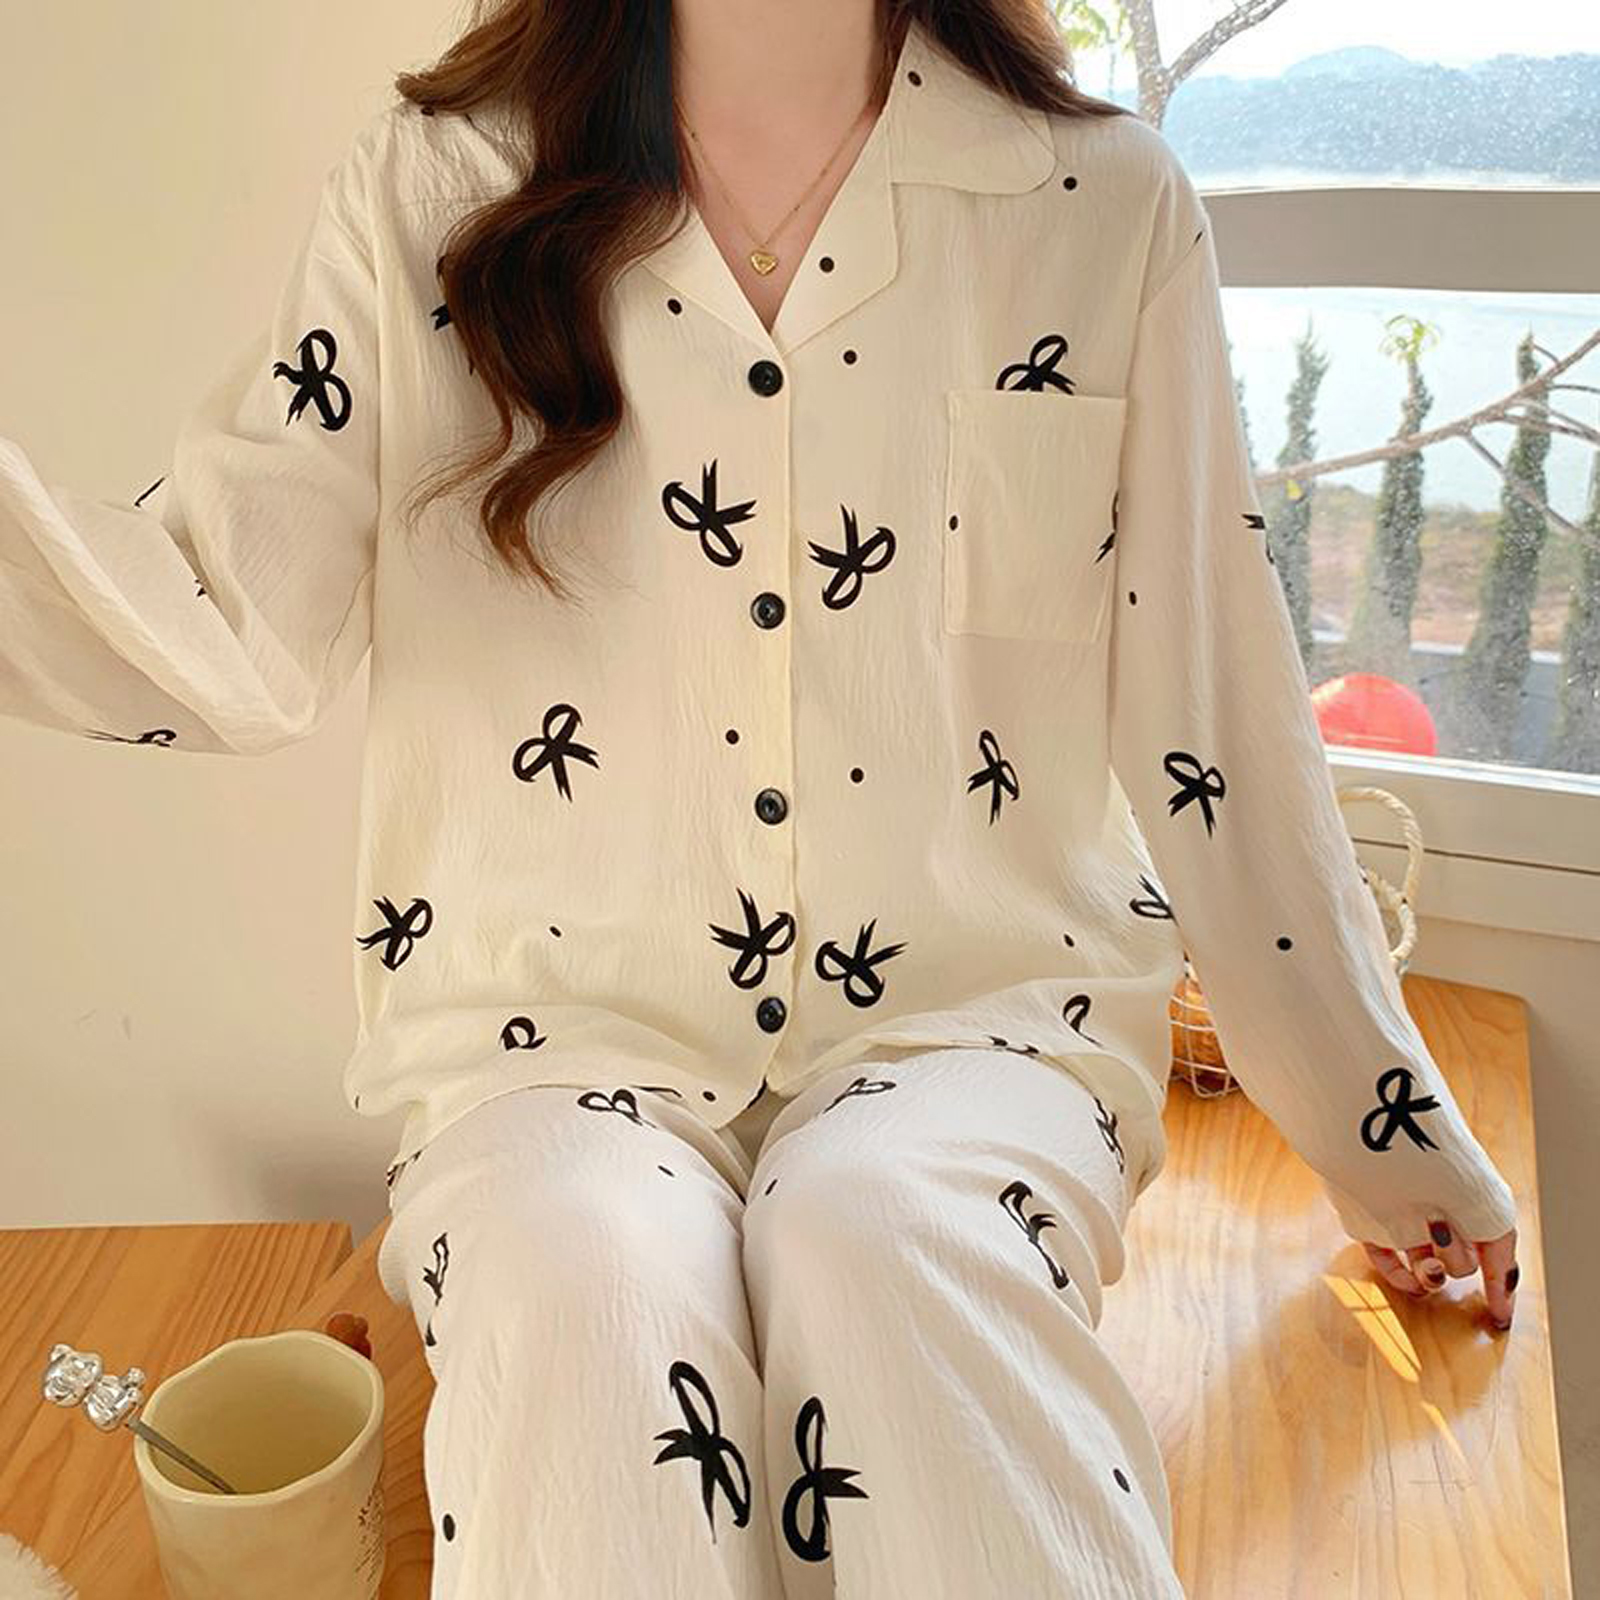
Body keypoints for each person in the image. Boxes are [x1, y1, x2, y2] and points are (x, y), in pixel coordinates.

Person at [2, 1, 1520, 1594]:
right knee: (580, 1291)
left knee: (892, 1242)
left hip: (974, 1024)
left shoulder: (1100, 206)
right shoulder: (428, 190)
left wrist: (1388, 1133)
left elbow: (1216, 707)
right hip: (547, 1033)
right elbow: (225, 623)